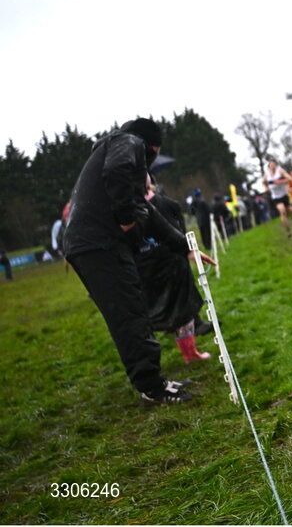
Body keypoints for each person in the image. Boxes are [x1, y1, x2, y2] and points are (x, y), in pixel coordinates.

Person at [63, 118, 194, 404]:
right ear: (150, 145)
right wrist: (126, 220)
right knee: (129, 313)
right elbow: (117, 170)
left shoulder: (119, 156)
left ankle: (150, 379)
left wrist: (185, 247)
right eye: (154, 153)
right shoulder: (128, 142)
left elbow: (151, 215)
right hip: (97, 244)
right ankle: (152, 386)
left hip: (95, 244)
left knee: (131, 308)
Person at [138, 178, 214, 364]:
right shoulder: (127, 209)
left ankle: (190, 353)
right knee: (163, 313)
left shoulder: (167, 204)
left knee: (183, 311)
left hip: (171, 263)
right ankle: (180, 355)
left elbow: (179, 231)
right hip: (148, 267)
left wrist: (186, 250)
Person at [263, 159, 292, 237]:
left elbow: (290, 179)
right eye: (271, 165)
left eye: (274, 165)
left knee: (289, 211)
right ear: (269, 167)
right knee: (282, 211)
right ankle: (288, 230)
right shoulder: (267, 174)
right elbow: (263, 182)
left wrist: (281, 181)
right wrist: (265, 188)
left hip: (284, 194)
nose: (272, 166)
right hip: (275, 197)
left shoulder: (280, 171)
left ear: (276, 165)